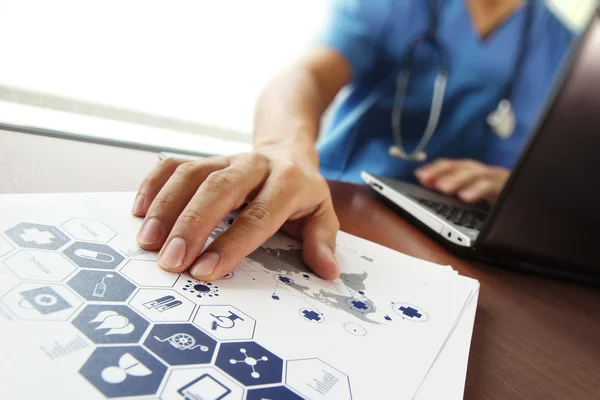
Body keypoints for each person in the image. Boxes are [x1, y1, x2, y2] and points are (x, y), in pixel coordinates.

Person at [131, 0, 573, 282]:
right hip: (344, 208)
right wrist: (284, 149)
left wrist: (522, 190)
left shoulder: (568, 47)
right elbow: (304, 76)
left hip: (471, 249)